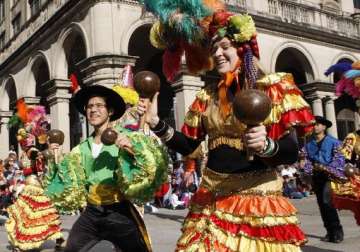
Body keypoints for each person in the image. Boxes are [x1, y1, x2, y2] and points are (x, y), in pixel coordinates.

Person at [142, 2, 314, 251]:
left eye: (225, 47)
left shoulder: (271, 89)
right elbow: (190, 145)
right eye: (214, 49)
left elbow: (289, 150)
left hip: (254, 199)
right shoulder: (207, 97)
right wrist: (156, 123)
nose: (218, 54)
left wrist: (267, 145)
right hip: (210, 197)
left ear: (243, 48)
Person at [44, 85, 168, 252]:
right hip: (91, 213)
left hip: (119, 212)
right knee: (71, 249)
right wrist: (55, 159)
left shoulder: (127, 136)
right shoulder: (80, 149)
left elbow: (153, 165)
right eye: (89, 106)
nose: (93, 110)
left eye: (98, 106)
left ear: (110, 111)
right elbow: (66, 183)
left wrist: (133, 149)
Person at [5, 101, 64, 252]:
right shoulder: (24, 153)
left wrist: (48, 151)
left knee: (36, 214)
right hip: (29, 186)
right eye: (23, 139)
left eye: (26, 139)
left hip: (35, 187)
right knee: (35, 213)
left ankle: (56, 238)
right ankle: (57, 238)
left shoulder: (31, 150)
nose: (23, 141)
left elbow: (37, 154)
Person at [303, 116, 346, 243]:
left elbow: (339, 159)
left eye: (318, 124)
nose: (315, 126)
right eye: (314, 124)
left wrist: (327, 168)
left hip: (329, 176)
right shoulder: (309, 144)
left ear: (324, 127)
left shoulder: (334, 141)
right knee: (321, 205)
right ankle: (329, 231)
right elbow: (308, 161)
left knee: (328, 203)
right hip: (316, 177)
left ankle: (337, 232)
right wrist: (307, 171)